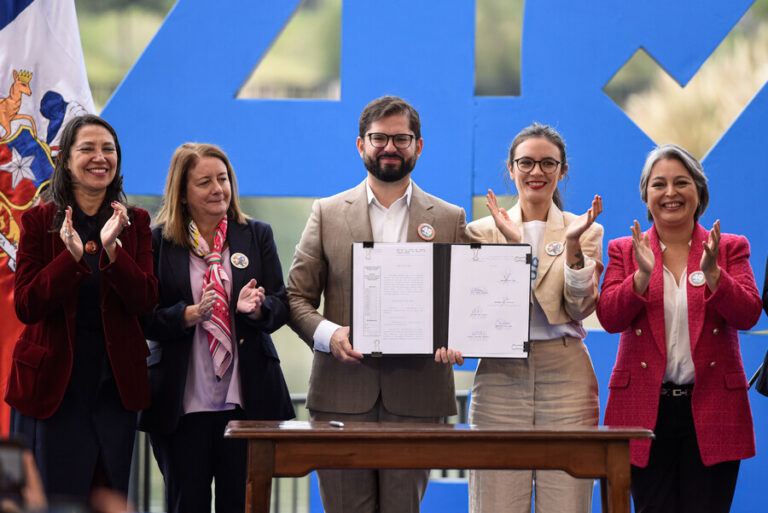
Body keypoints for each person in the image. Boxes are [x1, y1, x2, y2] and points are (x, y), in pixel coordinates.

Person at [286, 95, 468, 513]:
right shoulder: (327, 213)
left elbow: (465, 299)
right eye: (379, 138)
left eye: (401, 139)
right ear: (360, 144)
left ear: (418, 146)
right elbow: (296, 297)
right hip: (341, 394)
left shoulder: (448, 217)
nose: (390, 147)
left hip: (418, 397)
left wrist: (456, 336)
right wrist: (330, 336)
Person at [597, 143, 762, 513]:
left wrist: (716, 276)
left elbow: (749, 314)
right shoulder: (625, 250)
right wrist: (640, 277)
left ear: (699, 192)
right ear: (646, 195)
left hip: (711, 408)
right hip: (643, 409)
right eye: (659, 184)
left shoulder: (730, 248)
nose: (670, 193)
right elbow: (608, 317)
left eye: (681, 182)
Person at [447, 122, 603, 513]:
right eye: (527, 163)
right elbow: (479, 308)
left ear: (562, 171)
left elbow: (579, 307)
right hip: (500, 372)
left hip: (565, 369)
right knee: (495, 501)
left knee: (568, 501)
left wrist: (571, 245)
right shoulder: (480, 231)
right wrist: (515, 248)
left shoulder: (584, 229)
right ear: (511, 168)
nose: (537, 172)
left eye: (548, 163)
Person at [7, 114, 157, 505]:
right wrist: (69, 259)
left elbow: (145, 301)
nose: (100, 157)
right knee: (53, 501)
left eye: (108, 149)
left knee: (109, 499)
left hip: (113, 390)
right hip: (54, 390)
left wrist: (113, 251)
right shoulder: (40, 221)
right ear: (66, 160)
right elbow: (26, 305)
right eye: (87, 148)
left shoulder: (136, 222)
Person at [138, 143, 294, 513]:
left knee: (241, 504)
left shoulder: (255, 234)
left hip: (245, 405)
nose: (217, 189)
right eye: (204, 182)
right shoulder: (157, 242)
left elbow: (281, 303)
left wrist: (254, 310)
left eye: (222, 179)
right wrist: (188, 315)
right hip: (182, 406)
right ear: (183, 192)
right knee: (185, 503)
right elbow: (144, 317)